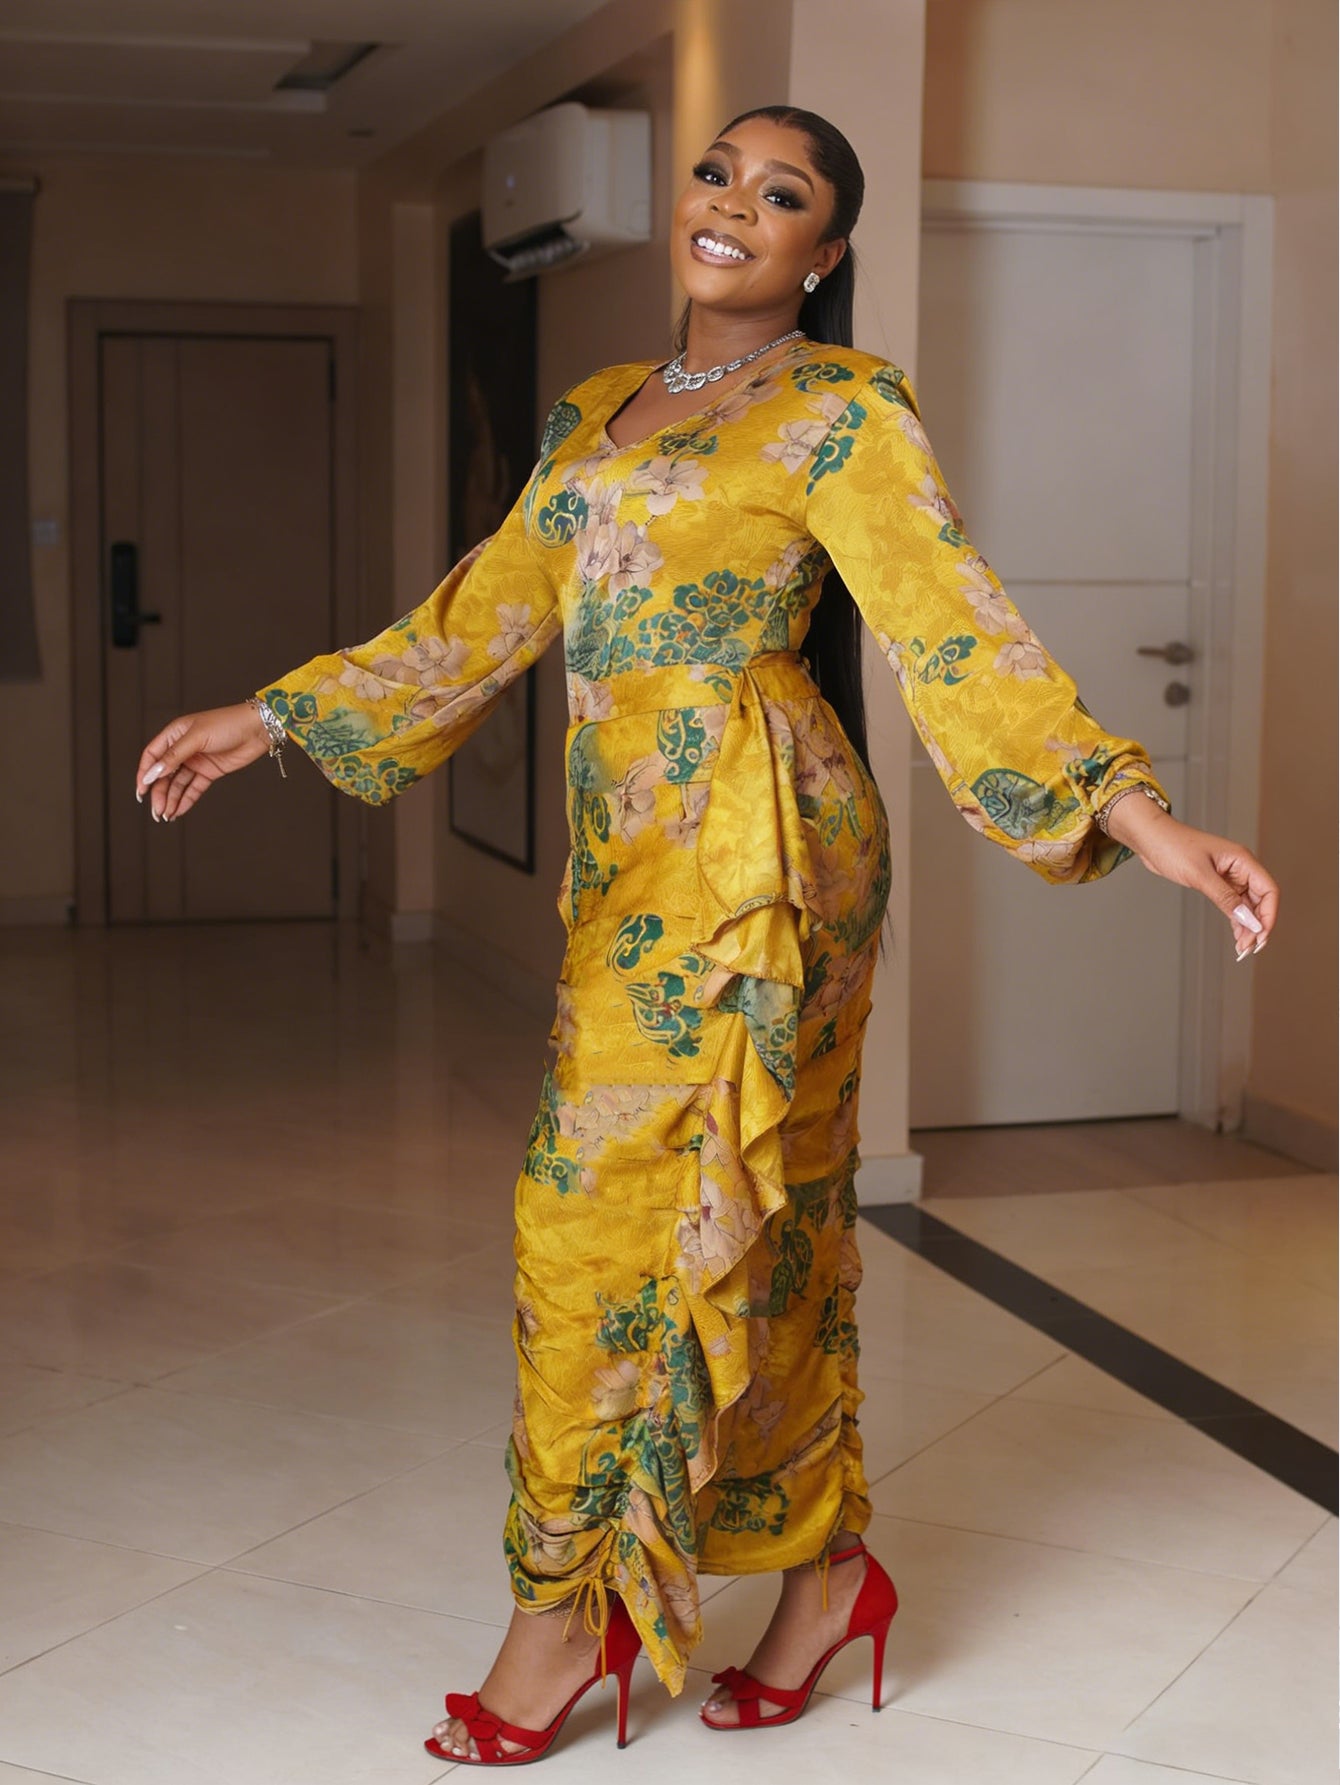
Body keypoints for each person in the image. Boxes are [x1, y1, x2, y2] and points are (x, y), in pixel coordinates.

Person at [134, 106, 1280, 1764]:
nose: (734, 204)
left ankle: (565, 1614)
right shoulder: (595, 411)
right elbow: (490, 610)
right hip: (631, 863)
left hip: (766, 860)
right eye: (718, 174)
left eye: (781, 193)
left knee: (605, 1219)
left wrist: (1135, 812)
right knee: (761, 1227)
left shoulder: (841, 408)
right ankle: (826, 1576)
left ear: (825, 252)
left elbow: (954, 630)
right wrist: (276, 714)